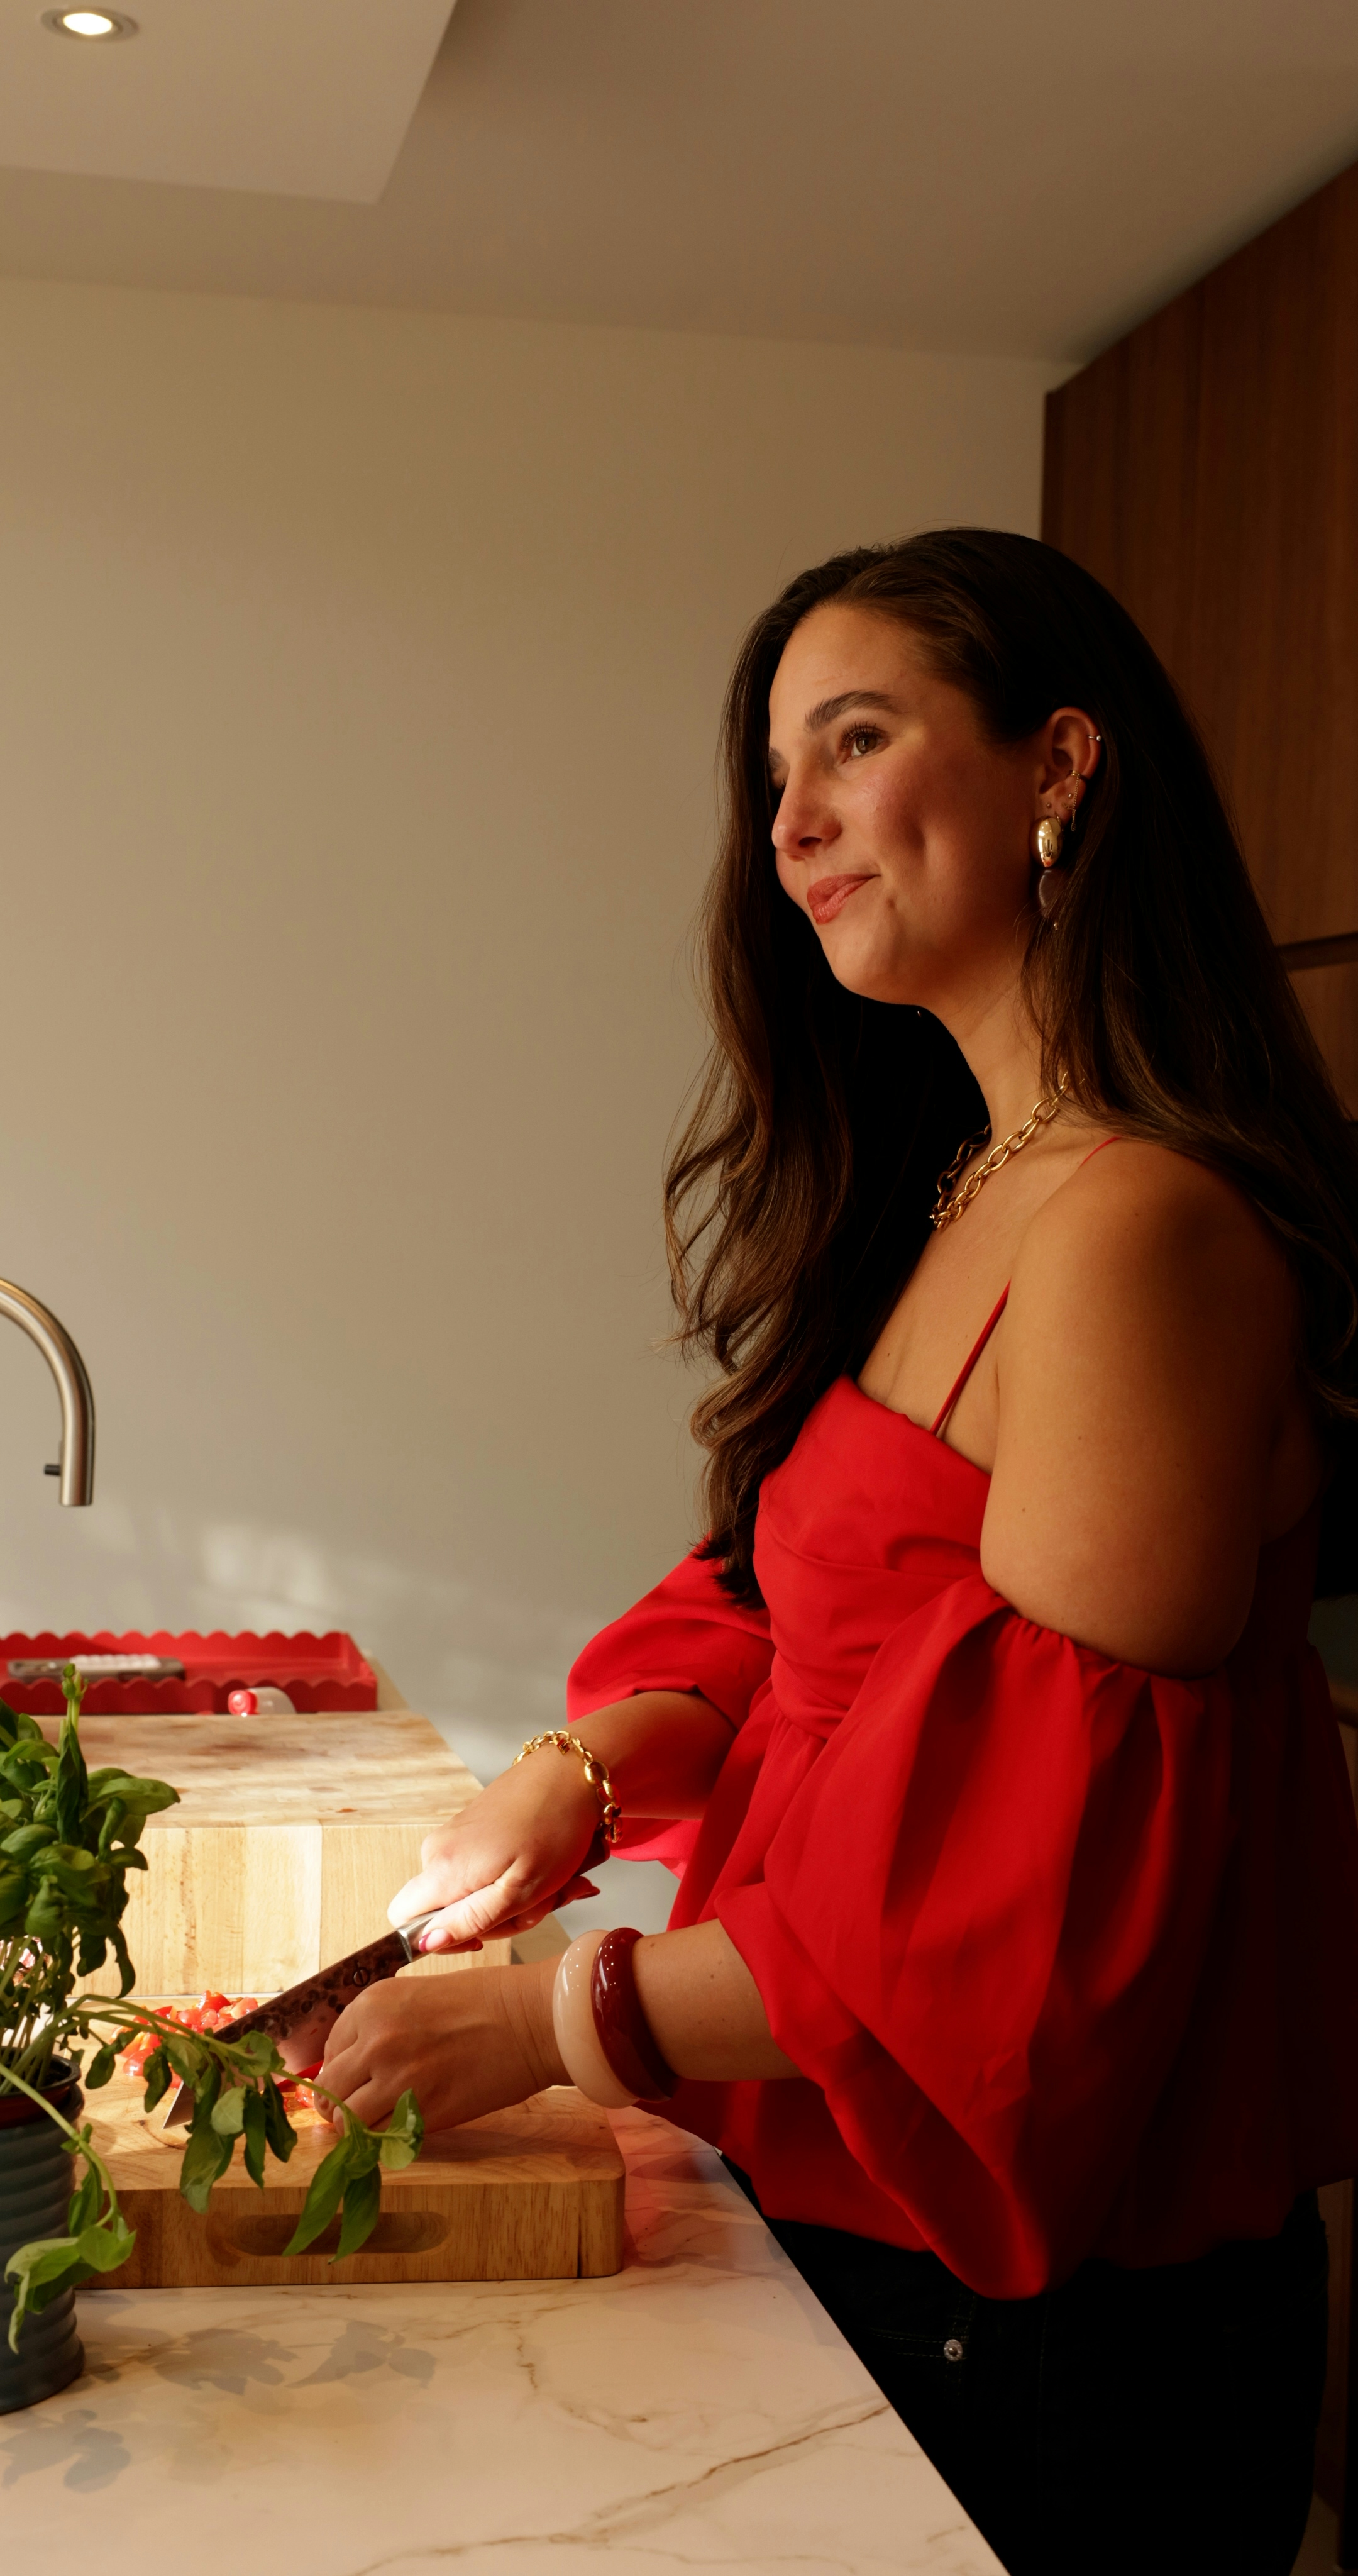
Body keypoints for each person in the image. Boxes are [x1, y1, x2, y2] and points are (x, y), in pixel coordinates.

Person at [319, 531, 1358, 2575]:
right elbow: (812, 1614)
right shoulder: (972, 1180)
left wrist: (546, 2026)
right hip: (866, 2231)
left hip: (1059, 2333)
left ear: (1060, 764)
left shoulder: (1139, 1232)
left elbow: (1015, 1903)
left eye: (856, 742)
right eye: (776, 770)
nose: (789, 823)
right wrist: (580, 1774)